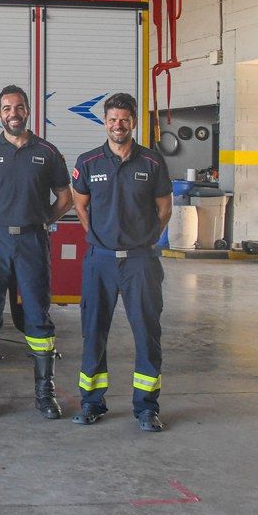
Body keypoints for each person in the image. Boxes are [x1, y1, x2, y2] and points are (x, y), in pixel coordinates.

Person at [0, 85, 73, 419]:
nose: (14, 113)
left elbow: (65, 197)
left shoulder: (48, 152)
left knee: (37, 316)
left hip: (32, 242)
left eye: (19, 107)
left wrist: (43, 220)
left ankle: (45, 394)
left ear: (29, 111)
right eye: (7, 108)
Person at [70, 92, 173, 432]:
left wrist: (143, 240)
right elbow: (80, 206)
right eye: (112, 119)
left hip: (140, 262)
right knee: (93, 332)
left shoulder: (152, 162)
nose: (118, 125)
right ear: (105, 121)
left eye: (124, 120)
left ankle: (146, 408)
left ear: (133, 123)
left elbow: (164, 209)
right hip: (99, 261)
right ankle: (92, 403)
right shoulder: (87, 163)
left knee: (146, 333)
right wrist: (99, 239)